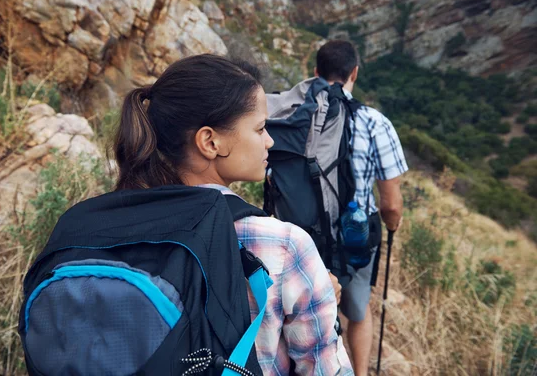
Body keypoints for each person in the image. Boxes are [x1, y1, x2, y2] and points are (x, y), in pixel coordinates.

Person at [113, 54, 347, 375]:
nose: (270, 141)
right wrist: (323, 301)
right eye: (260, 128)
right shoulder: (282, 245)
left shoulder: (113, 224)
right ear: (210, 141)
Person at [314, 40, 407, 376]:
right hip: (355, 236)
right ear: (354, 72)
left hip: (304, 232)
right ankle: (360, 372)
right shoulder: (374, 122)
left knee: (312, 308)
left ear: (315, 73)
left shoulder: (295, 118)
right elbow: (391, 203)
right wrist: (393, 224)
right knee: (357, 311)